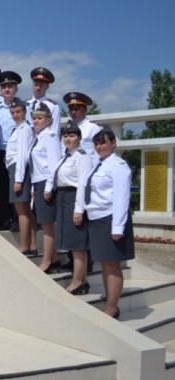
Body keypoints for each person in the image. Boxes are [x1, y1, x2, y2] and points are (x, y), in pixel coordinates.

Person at [79, 126, 134, 318]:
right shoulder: (98, 165)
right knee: (104, 264)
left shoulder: (118, 166)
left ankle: (112, 307)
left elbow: (121, 197)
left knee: (112, 265)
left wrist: (118, 227)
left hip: (111, 219)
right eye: (96, 143)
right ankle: (110, 301)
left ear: (113, 143)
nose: (99, 146)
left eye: (103, 142)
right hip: (97, 219)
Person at [54, 121, 94, 294]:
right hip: (63, 197)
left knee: (77, 243)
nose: (68, 139)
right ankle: (83, 280)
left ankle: (77, 281)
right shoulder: (66, 156)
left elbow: (83, 184)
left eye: (72, 135)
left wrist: (79, 209)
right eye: (65, 135)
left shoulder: (82, 156)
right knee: (72, 242)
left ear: (79, 137)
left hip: (73, 198)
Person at [30, 103, 62, 273]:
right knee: (46, 223)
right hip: (39, 182)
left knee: (48, 224)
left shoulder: (50, 137)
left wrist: (49, 187)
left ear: (49, 120)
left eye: (40, 118)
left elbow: (54, 165)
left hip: (46, 182)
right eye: (34, 118)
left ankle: (46, 261)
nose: (36, 121)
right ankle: (54, 258)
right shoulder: (38, 137)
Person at [5, 97, 37, 255]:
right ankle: (32, 244)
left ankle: (24, 245)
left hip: (19, 170)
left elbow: (23, 155)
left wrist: (18, 179)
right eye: (13, 112)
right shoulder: (17, 128)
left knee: (21, 209)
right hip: (15, 169)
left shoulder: (24, 130)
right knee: (26, 209)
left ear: (25, 112)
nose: (15, 115)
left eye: (18, 111)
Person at [0, 71, 23, 231]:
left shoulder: (24, 108)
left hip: (16, 153)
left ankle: (17, 218)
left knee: (16, 186)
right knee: (1, 187)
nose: (7, 89)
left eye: (10, 86)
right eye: (4, 86)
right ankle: (4, 218)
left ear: (16, 88)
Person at [63, 91, 102, 159]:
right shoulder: (67, 129)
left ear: (85, 110)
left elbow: (98, 154)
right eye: (71, 109)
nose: (73, 112)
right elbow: (63, 151)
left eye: (77, 109)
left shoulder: (92, 128)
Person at [26, 67, 61, 137]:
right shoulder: (25, 105)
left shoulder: (52, 106)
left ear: (47, 86)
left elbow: (54, 130)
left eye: (41, 85)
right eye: (36, 85)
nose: (38, 88)